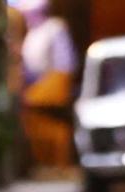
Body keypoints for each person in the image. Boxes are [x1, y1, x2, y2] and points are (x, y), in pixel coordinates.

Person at [15, 0, 80, 175]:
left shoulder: (55, 28)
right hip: (33, 89)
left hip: (49, 92)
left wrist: (42, 92)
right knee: (34, 128)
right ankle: (42, 166)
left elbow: (65, 65)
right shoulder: (29, 33)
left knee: (55, 127)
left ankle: (60, 167)